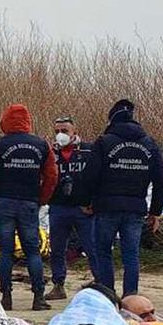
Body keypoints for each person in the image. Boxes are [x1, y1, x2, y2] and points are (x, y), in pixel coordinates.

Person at [80, 99, 163, 298]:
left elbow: (90, 175)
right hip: (135, 208)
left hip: (106, 207)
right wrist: (155, 212)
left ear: (112, 119)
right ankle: (131, 297)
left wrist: (86, 201)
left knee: (103, 252)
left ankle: (107, 295)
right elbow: (161, 180)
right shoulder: (149, 144)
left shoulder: (104, 142)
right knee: (131, 254)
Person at [0, 103, 57, 310]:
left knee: (5, 251)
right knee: (32, 251)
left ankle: (6, 297)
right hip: (29, 203)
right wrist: (42, 198)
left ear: (5, 121)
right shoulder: (42, 145)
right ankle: (39, 297)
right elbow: (52, 175)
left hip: (3, 202)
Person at [46, 116, 93, 299]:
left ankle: (100, 282)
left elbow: (96, 177)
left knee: (91, 246)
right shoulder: (50, 153)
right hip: (58, 207)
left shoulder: (88, 150)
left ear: (74, 131)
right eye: (57, 131)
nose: (60, 135)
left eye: (64, 131)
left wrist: (93, 202)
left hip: (83, 208)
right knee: (57, 248)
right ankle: (58, 284)